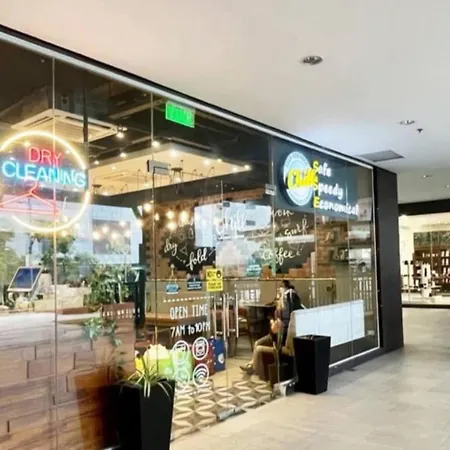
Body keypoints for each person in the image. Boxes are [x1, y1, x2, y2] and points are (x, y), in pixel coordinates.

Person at [240, 280, 302, 375]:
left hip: (279, 338)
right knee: (257, 343)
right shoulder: (291, 308)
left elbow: (275, 331)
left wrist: (272, 321)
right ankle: (252, 364)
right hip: (278, 336)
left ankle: (254, 369)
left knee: (258, 346)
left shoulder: (283, 313)